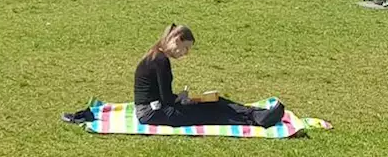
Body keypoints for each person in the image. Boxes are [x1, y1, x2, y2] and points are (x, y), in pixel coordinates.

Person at [61, 24, 285, 127]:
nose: (185, 54)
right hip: (152, 113)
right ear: (176, 40)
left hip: (155, 108)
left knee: (214, 102)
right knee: (210, 110)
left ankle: (257, 114)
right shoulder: (160, 61)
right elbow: (166, 100)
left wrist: (185, 98)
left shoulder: (157, 56)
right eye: (185, 49)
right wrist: (184, 99)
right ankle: (256, 118)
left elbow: (163, 94)